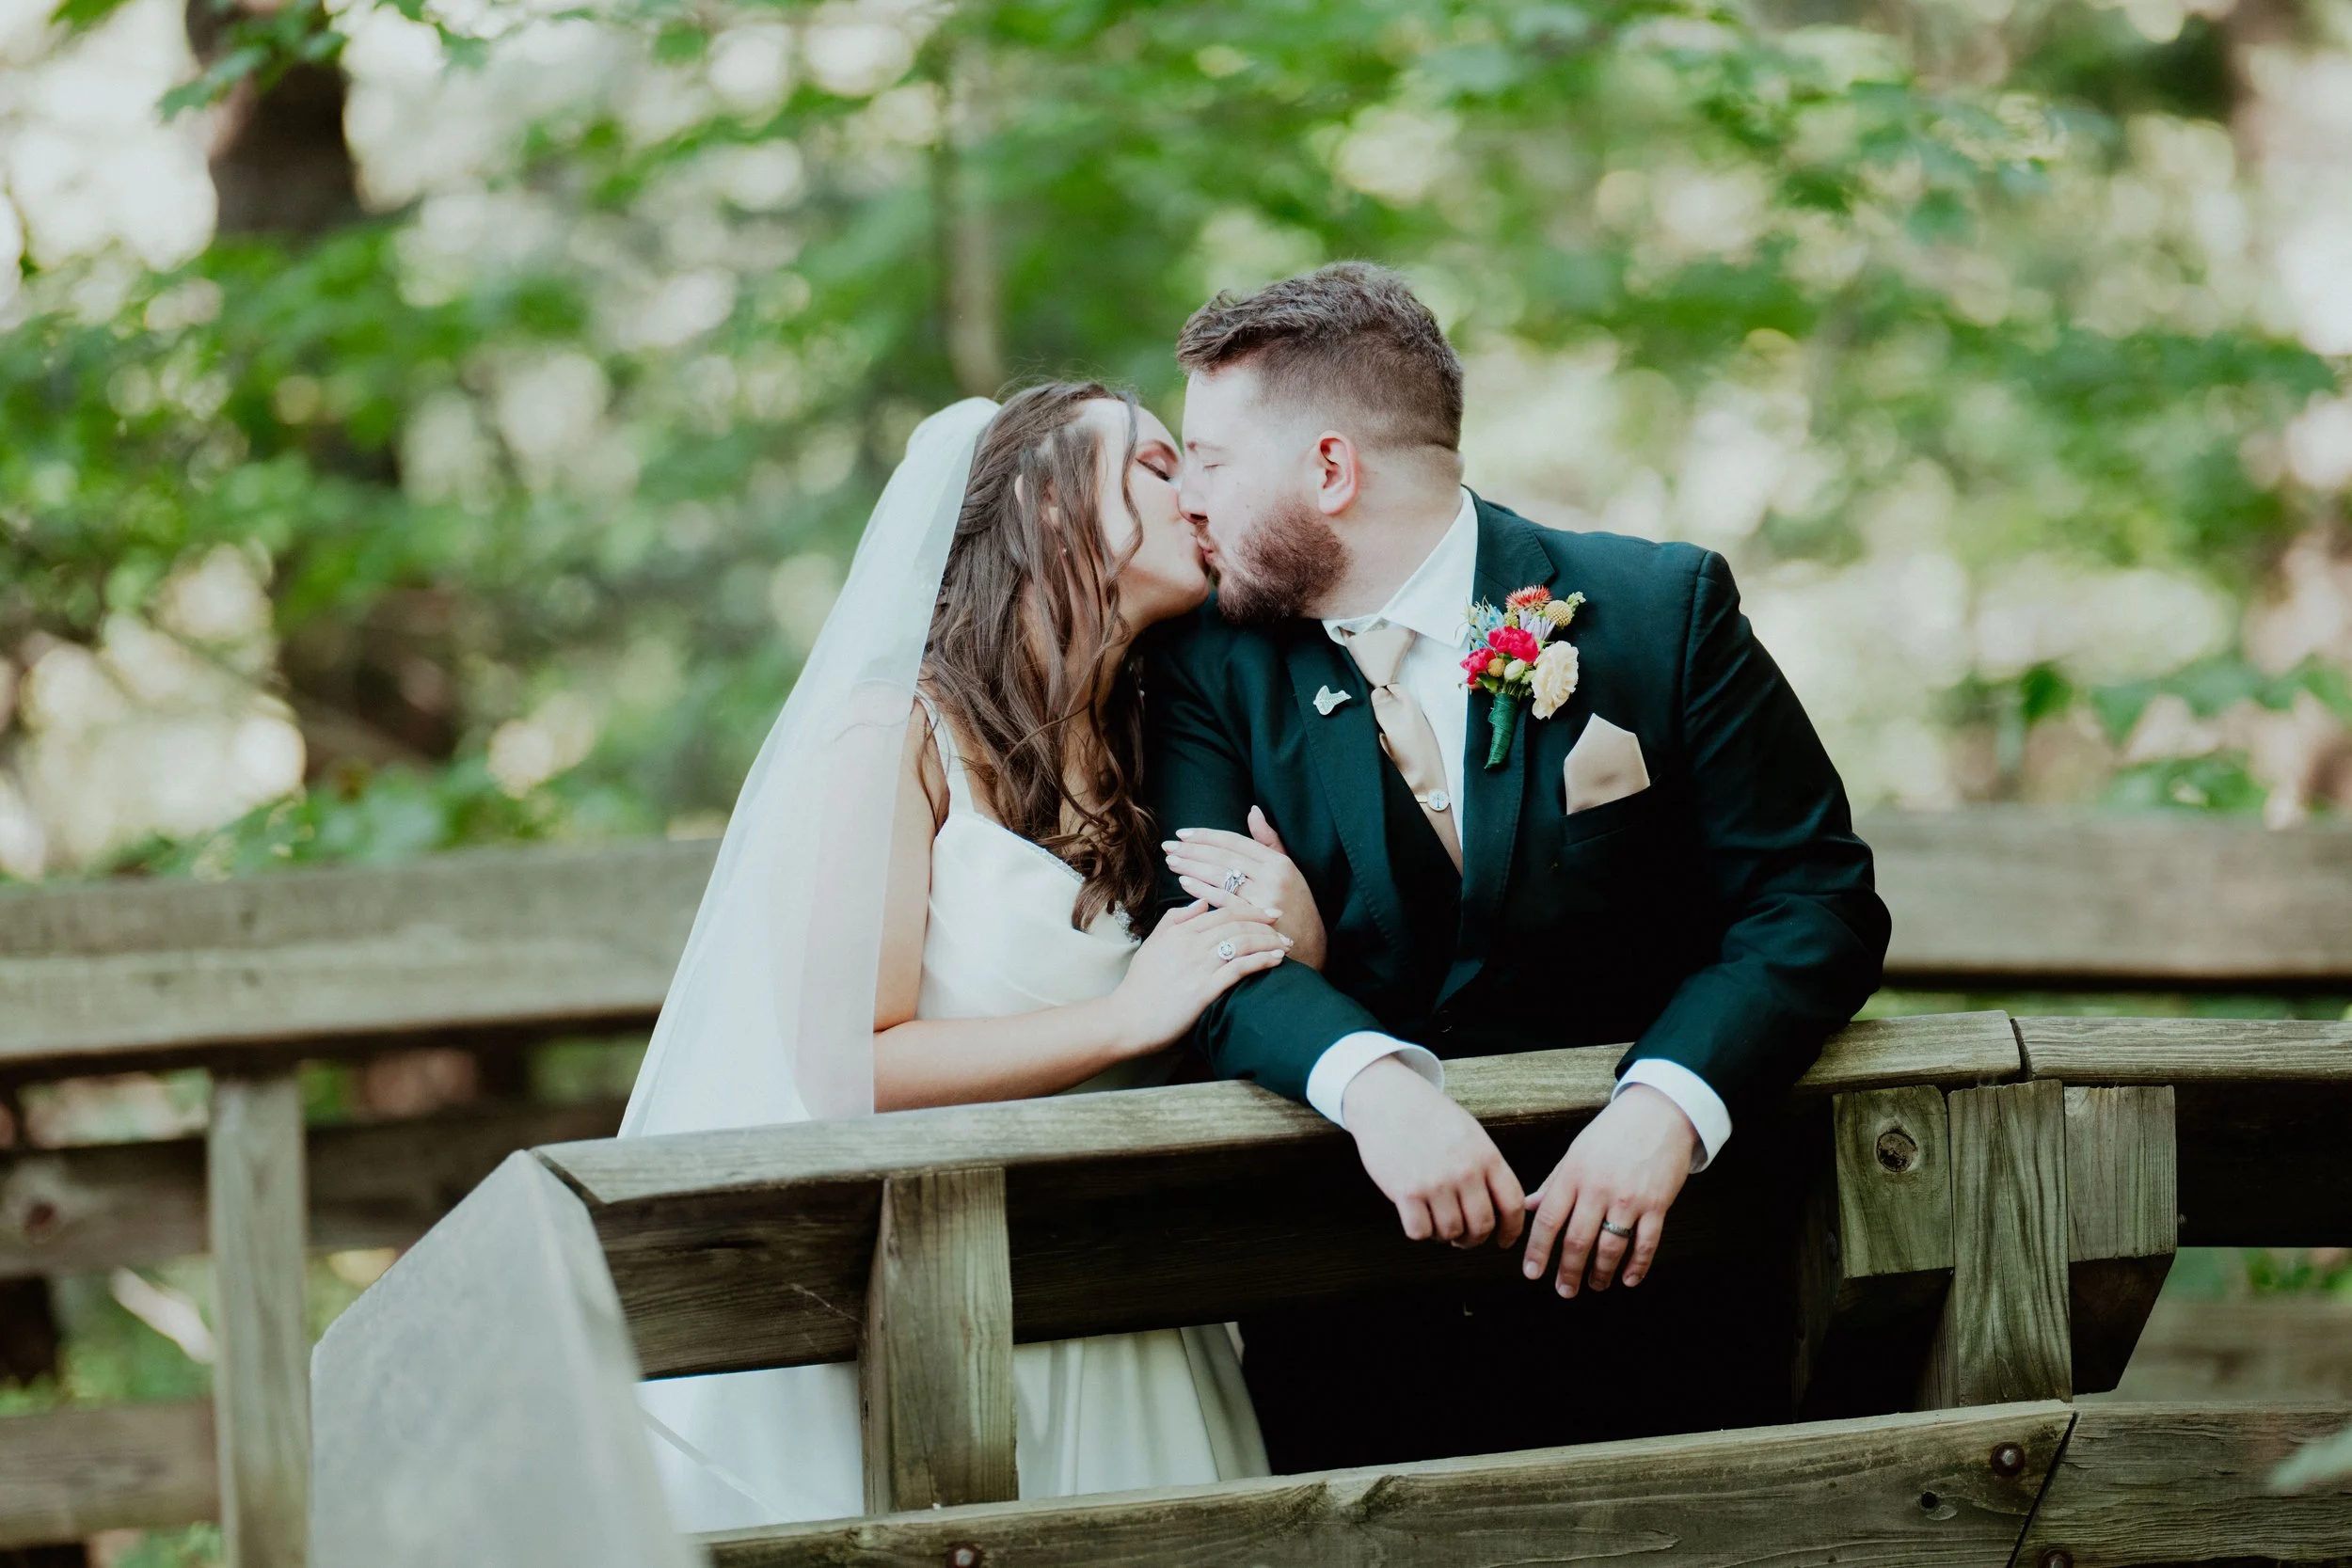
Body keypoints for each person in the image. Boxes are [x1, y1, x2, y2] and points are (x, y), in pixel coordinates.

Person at [1144, 262, 1893, 1470]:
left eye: (1211, 460)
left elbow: (1812, 901)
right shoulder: (1208, 669)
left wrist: (1666, 1107)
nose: (1189, 498)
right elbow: (1199, 941)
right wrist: (1374, 1086)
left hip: (1673, 1293)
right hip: (1351, 1303)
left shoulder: (1658, 610)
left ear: (1330, 470)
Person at [620, 385, 1279, 1529]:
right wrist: (1125, 1019)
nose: (1200, 493)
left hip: (1121, 1290)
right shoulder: (895, 734)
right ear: (1046, 503)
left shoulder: (1157, 737)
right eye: (1158, 465)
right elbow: (847, 1069)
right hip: (926, 1300)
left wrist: (1288, 929)